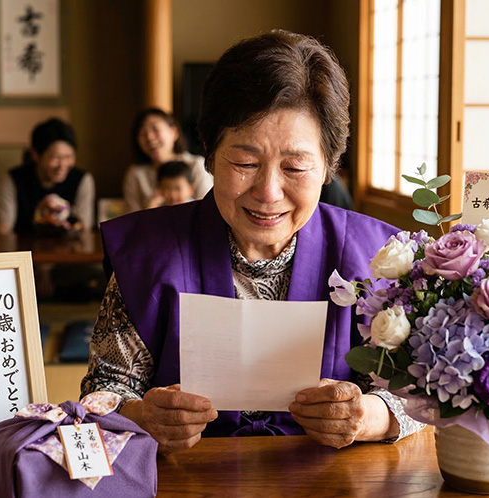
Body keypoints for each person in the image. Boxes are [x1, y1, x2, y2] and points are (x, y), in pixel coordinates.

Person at [81, 30, 423, 455]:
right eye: (245, 163)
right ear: (208, 153)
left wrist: (368, 416)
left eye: (295, 168)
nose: (268, 192)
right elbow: (101, 394)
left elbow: (422, 391)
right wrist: (141, 417)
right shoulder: (149, 252)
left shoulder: (378, 256)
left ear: (328, 166)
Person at [0, 118, 95, 235]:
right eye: (55, 157)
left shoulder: (82, 180)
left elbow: (83, 230)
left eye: (68, 157)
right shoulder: (14, 179)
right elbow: (2, 231)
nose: (62, 165)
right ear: (35, 155)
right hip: (25, 250)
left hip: (69, 251)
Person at [122, 108, 213, 213]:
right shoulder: (136, 174)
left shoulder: (195, 165)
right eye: (142, 134)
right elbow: (130, 222)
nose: (150, 138)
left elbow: (208, 211)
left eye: (155, 129)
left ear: (174, 132)